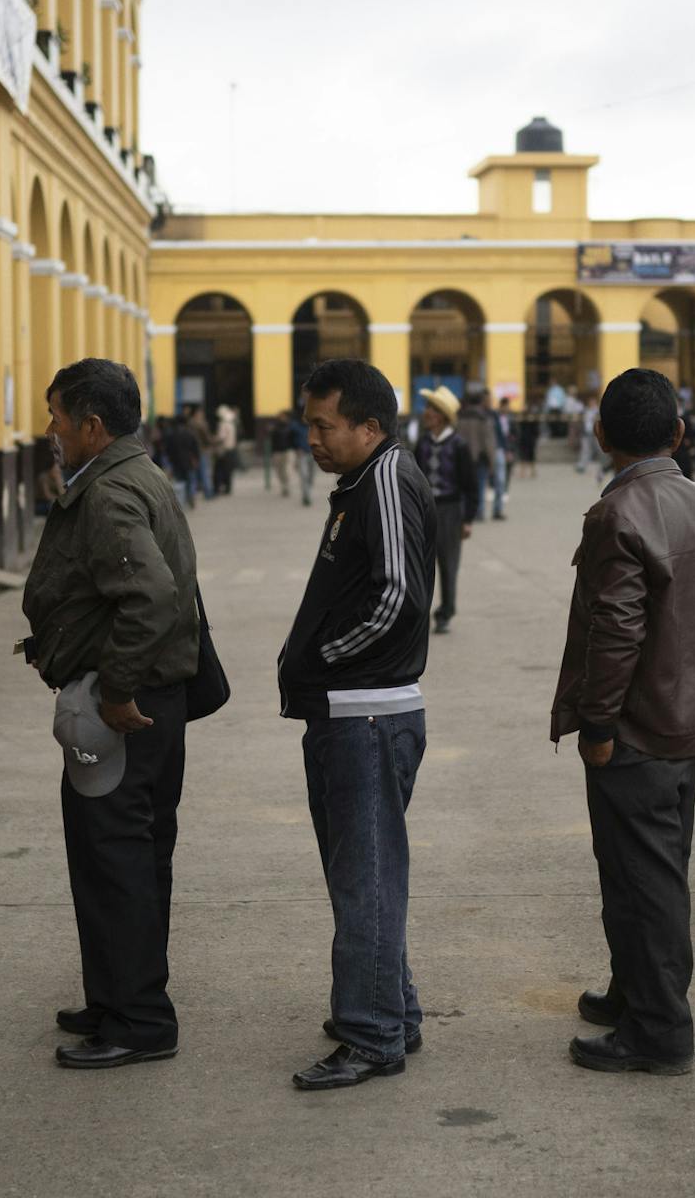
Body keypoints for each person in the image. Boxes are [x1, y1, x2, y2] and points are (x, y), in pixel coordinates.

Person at [551, 369, 695, 1076]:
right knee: (642, 870)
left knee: (646, 879)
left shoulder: (619, 513)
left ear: (601, 435)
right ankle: (634, 990)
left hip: (638, 728)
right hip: (687, 719)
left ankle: (660, 1028)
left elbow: (616, 631)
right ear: (678, 433)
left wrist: (599, 723)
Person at [22, 359, 201, 1070]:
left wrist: (118, 689)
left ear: (92, 425)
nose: (52, 431)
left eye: (58, 418)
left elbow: (153, 598)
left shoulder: (111, 492)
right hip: (150, 700)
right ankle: (116, 997)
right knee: (126, 860)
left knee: (117, 861)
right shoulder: (136, 473)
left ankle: (139, 1021)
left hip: (126, 708)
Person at [279, 359, 435, 1091]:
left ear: (370, 427)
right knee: (363, 877)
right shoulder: (362, 482)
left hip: (367, 712)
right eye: (308, 423)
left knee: (365, 881)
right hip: (351, 711)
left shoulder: (385, 479)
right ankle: (390, 1010)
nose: (312, 437)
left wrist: (327, 660)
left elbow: (400, 595)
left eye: (324, 425)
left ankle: (372, 1035)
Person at [415, 387, 478, 635]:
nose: (426, 412)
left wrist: (468, 519)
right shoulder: (422, 443)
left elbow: (471, 486)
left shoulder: (459, 446)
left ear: (441, 415)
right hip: (425, 509)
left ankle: (445, 612)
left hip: (451, 511)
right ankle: (418, 612)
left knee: (448, 564)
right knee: (419, 563)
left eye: (431, 409)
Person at [458, 386, 500, 520]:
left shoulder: (460, 416)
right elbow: (489, 441)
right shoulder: (484, 418)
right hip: (480, 458)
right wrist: (492, 462)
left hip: (463, 457)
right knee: (480, 485)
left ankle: (465, 511)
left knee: (464, 487)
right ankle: (478, 512)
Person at [164, 409, 203, 509]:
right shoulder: (190, 433)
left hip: (176, 462)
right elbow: (196, 448)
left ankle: (181, 502)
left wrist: (170, 461)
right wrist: (196, 459)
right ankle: (191, 499)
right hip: (189, 462)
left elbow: (168, 450)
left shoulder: (171, 434)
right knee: (191, 481)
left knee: (180, 482)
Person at [212, 403, 240, 496]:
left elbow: (221, 437)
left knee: (219, 470)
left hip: (224, 450)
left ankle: (218, 488)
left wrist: (213, 439)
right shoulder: (231, 424)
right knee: (228, 470)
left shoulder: (223, 424)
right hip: (231, 449)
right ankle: (228, 488)